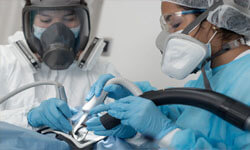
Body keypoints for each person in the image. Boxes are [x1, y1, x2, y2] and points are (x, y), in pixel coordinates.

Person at [86, 0, 250, 149]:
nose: (170, 37)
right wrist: (135, 98)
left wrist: (165, 132)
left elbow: (169, 131)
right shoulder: (208, 78)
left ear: (211, 20)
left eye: (175, 23)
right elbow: (178, 115)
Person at [0, 0, 119, 133]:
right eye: (45, 20)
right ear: (30, 23)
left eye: (69, 19)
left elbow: (131, 131)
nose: (57, 29)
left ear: (83, 22)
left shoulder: (103, 71)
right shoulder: (4, 61)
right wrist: (27, 117)